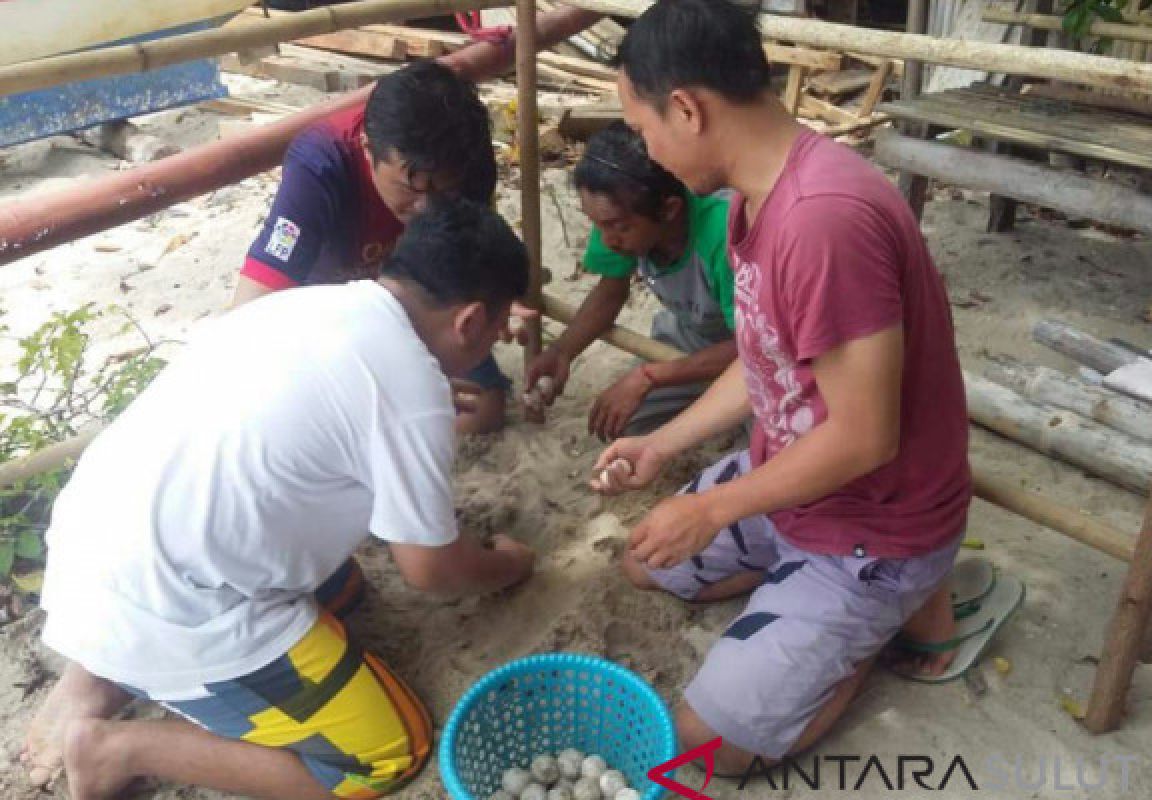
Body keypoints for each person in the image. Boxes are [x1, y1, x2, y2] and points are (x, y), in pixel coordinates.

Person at [23, 197, 536, 800]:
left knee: (344, 589)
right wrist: (508, 562)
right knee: (388, 752)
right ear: (471, 320)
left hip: (98, 547)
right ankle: (115, 750)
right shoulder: (410, 383)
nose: (495, 343)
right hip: (180, 611)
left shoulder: (320, 302)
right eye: (497, 329)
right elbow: (431, 569)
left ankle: (102, 675)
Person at [593, 0, 972, 772]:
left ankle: (873, 622)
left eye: (644, 129)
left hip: (877, 522)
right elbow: (766, 355)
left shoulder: (821, 221)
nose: (648, 148)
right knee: (646, 562)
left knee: (706, 752)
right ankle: (843, 610)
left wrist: (714, 506)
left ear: (688, 109)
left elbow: (867, 436)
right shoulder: (751, 197)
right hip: (798, 483)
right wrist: (663, 445)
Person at [233, 59, 511, 435]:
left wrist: (504, 299)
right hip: (332, 324)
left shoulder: (466, 157)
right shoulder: (321, 162)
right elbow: (251, 313)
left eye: (443, 191)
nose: (427, 209)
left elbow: (473, 253)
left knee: (484, 407)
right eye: (412, 188)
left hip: (414, 300)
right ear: (367, 149)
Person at [525, 122, 737, 440]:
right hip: (690, 336)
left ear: (669, 210)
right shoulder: (618, 220)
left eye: (618, 226)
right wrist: (563, 351)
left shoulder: (726, 233)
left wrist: (650, 376)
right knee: (626, 428)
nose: (607, 238)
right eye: (597, 224)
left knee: (771, 446)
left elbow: (758, 348)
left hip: (752, 351)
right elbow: (611, 291)